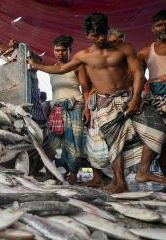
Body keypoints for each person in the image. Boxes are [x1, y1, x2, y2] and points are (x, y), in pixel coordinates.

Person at [28, 12, 166, 193]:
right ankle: (119, 182)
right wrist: (35, 64)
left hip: (128, 96)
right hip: (104, 102)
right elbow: (61, 68)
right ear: (88, 36)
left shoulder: (124, 48)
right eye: (95, 34)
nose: (101, 38)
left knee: (158, 128)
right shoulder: (83, 56)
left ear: (107, 30)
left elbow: (139, 73)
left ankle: (143, 170)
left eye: (103, 32)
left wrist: (135, 99)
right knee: (114, 142)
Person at [45, 35, 90, 184]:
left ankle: (72, 175)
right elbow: (32, 59)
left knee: (74, 142)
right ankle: (55, 173)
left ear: (70, 50)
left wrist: (87, 108)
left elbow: (85, 88)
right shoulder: (51, 68)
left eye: (64, 50)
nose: (60, 53)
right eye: (57, 50)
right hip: (56, 108)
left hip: (74, 106)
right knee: (53, 143)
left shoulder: (77, 66)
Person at [138, 10, 166, 177]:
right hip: (155, 100)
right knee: (160, 140)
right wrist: (138, 99)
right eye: (159, 25)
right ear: (152, 29)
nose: (163, 28)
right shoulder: (145, 52)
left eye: (165, 24)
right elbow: (138, 79)